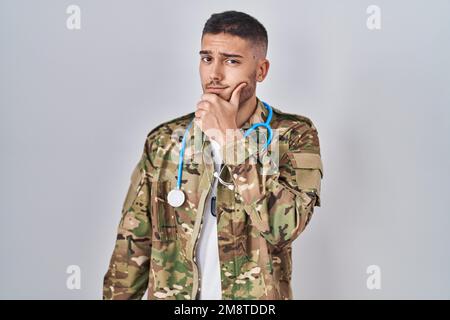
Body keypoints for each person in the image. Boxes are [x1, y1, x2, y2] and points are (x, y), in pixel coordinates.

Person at [103, 10, 323, 300]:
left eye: (231, 61)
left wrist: (230, 139)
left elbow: (284, 228)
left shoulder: (294, 135)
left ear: (261, 70)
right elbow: (132, 249)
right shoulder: (164, 141)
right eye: (207, 58)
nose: (215, 74)